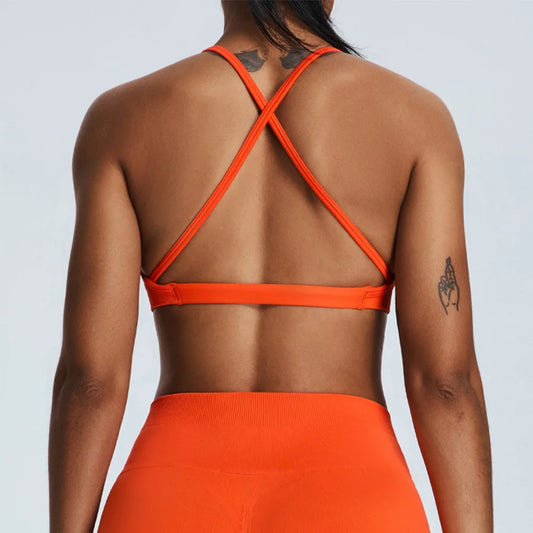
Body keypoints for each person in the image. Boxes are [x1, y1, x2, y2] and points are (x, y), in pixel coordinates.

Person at [48, 0, 493, 531]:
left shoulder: (122, 120)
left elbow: (91, 381)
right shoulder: (415, 119)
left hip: (171, 490)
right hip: (353, 493)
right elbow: (445, 382)